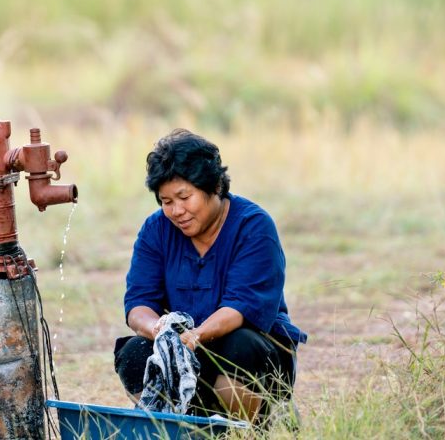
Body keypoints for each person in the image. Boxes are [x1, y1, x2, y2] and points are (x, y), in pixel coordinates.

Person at [115, 129, 306, 423]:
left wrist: (196, 337)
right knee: (134, 353)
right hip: (185, 352)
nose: (176, 211)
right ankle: (176, 426)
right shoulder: (155, 230)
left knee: (238, 346)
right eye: (166, 201)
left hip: (251, 355)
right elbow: (138, 304)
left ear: (215, 186)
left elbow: (240, 308)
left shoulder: (253, 226)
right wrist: (159, 332)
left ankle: (259, 424)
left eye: (184, 197)